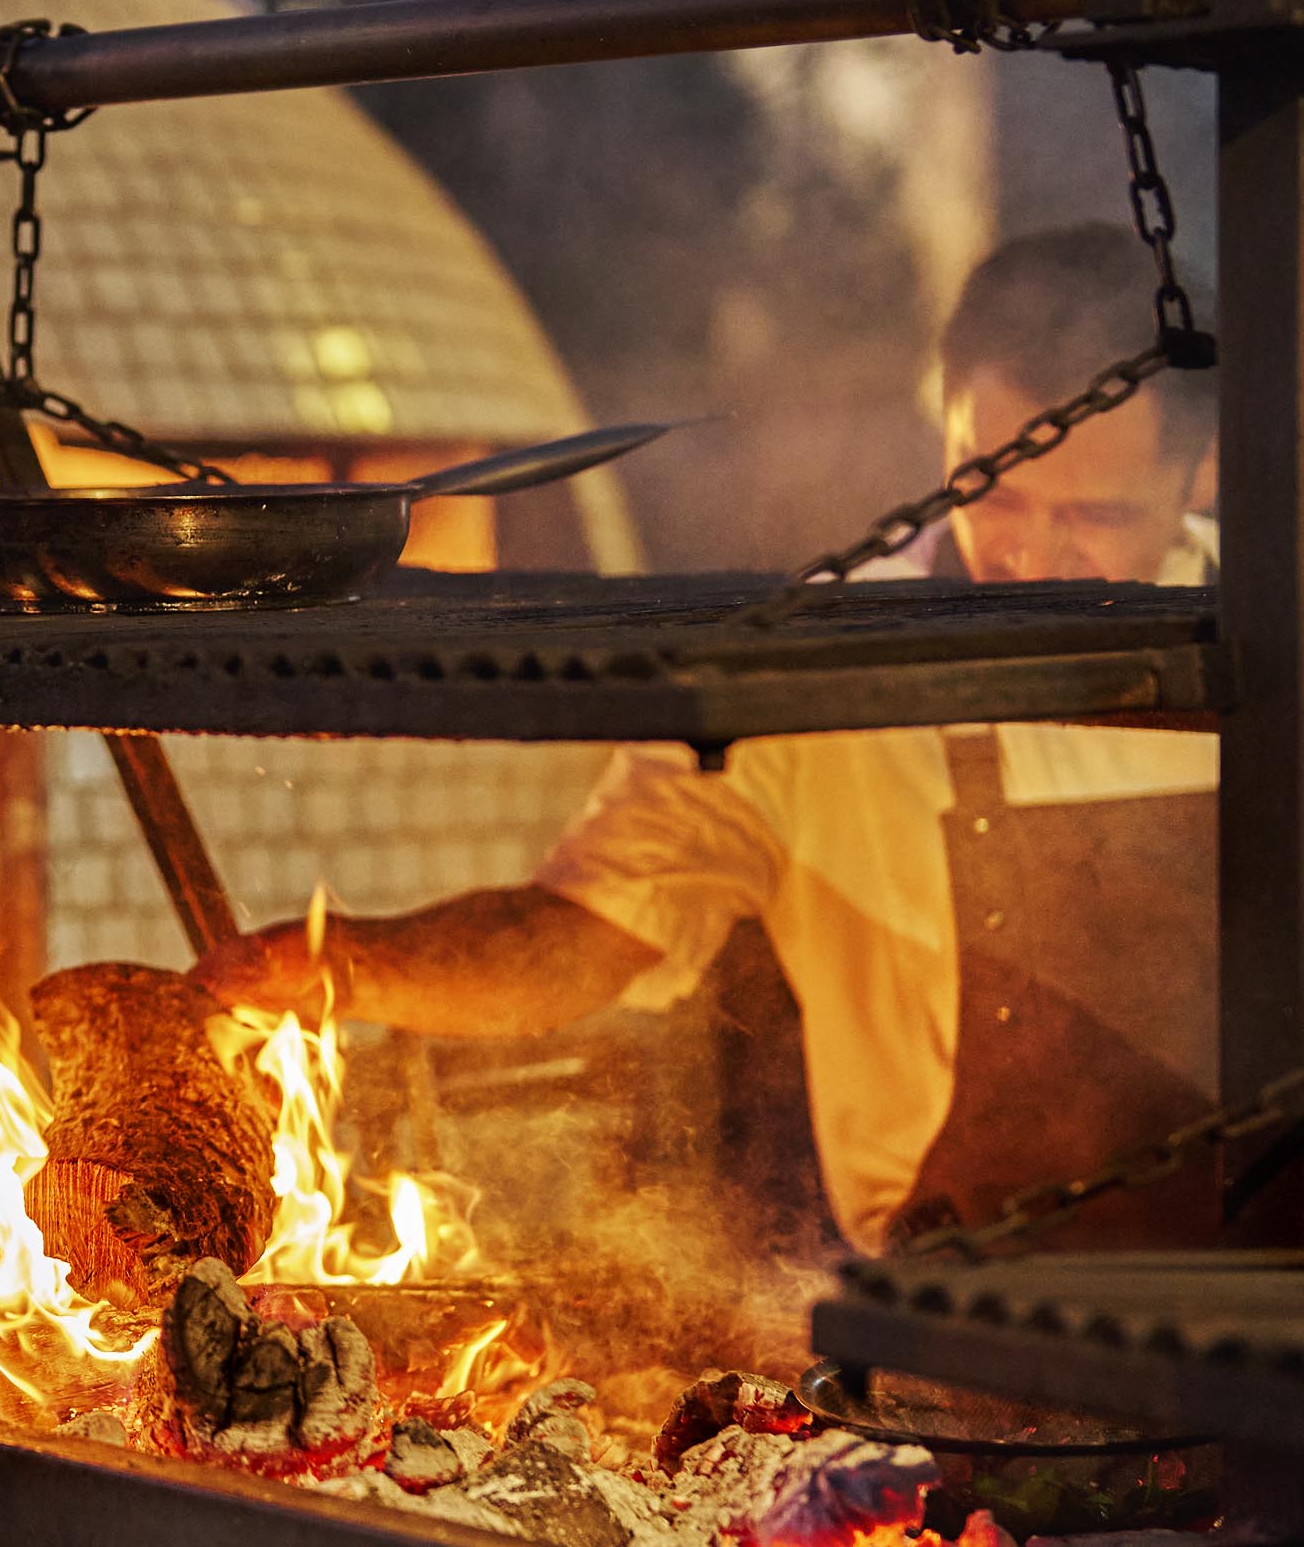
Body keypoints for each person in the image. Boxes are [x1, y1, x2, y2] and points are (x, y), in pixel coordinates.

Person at [199, 225, 1219, 1251]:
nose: (1027, 555)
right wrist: (339, 964)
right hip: (966, 1324)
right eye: (991, 492)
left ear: (1207, 469)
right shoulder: (820, 670)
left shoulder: (1275, 627)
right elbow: (581, 930)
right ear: (945, 428)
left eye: (1091, 514)